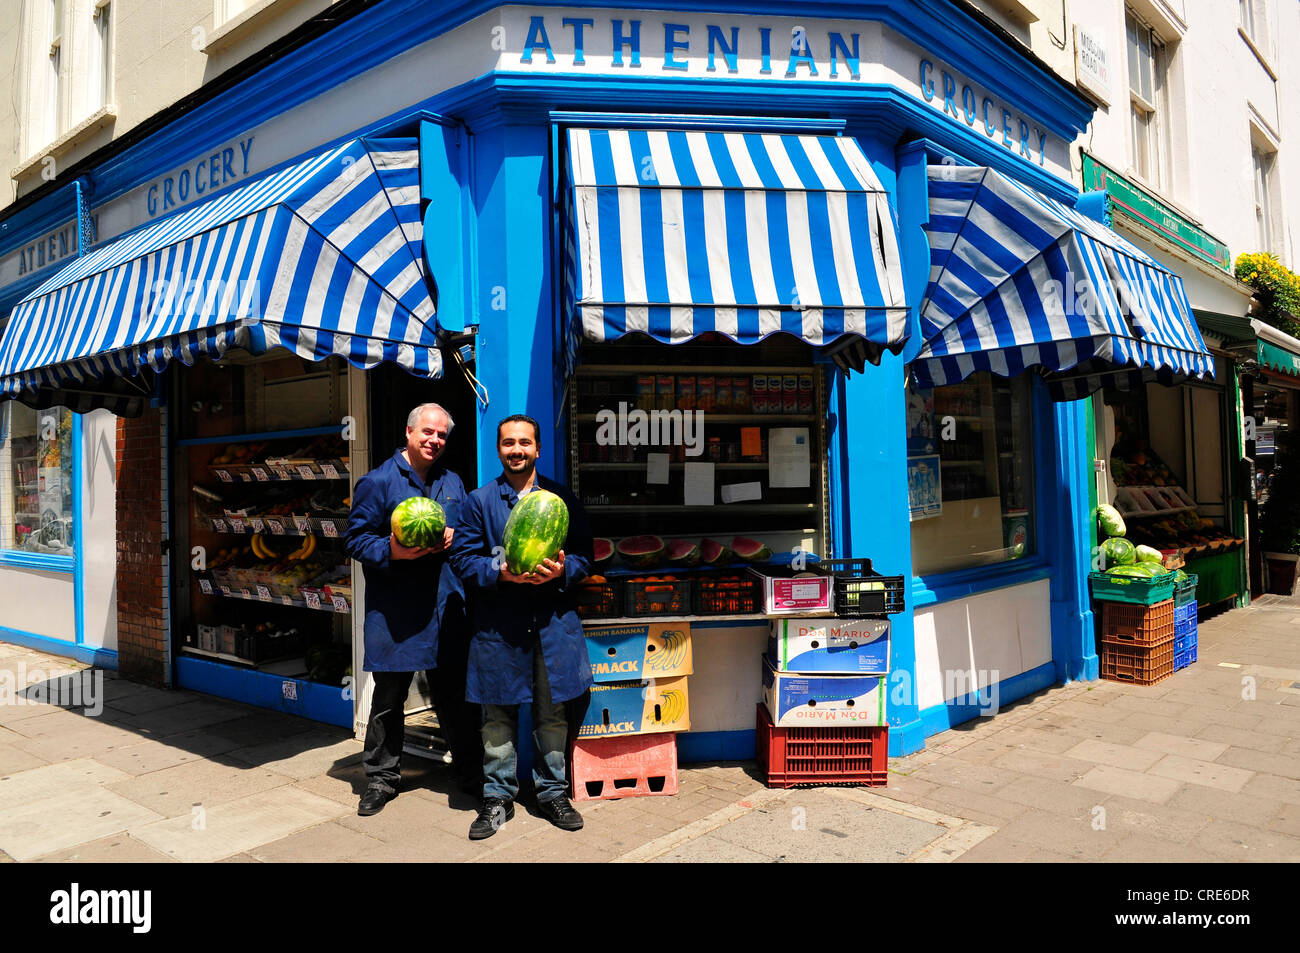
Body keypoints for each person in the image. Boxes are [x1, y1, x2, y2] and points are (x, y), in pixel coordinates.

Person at [450, 414, 594, 840]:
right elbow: (462, 560)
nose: (517, 450)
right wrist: (501, 572)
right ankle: (497, 799)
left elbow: (587, 556)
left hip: (552, 626)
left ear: (538, 449)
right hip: (499, 628)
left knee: (552, 717)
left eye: (525, 443)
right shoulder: (478, 503)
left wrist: (563, 571)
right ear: (499, 449)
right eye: (509, 443)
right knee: (496, 720)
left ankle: (552, 793)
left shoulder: (560, 498)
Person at [344, 402, 480, 815]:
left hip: (446, 606)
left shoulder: (452, 480)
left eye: (441, 435)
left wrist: (462, 536)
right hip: (397, 612)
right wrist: (393, 550)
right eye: (427, 432)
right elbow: (355, 540)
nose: (434, 441)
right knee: (389, 699)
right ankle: (382, 779)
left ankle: (471, 772)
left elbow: (469, 532)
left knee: (455, 695)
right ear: (408, 432)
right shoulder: (378, 482)